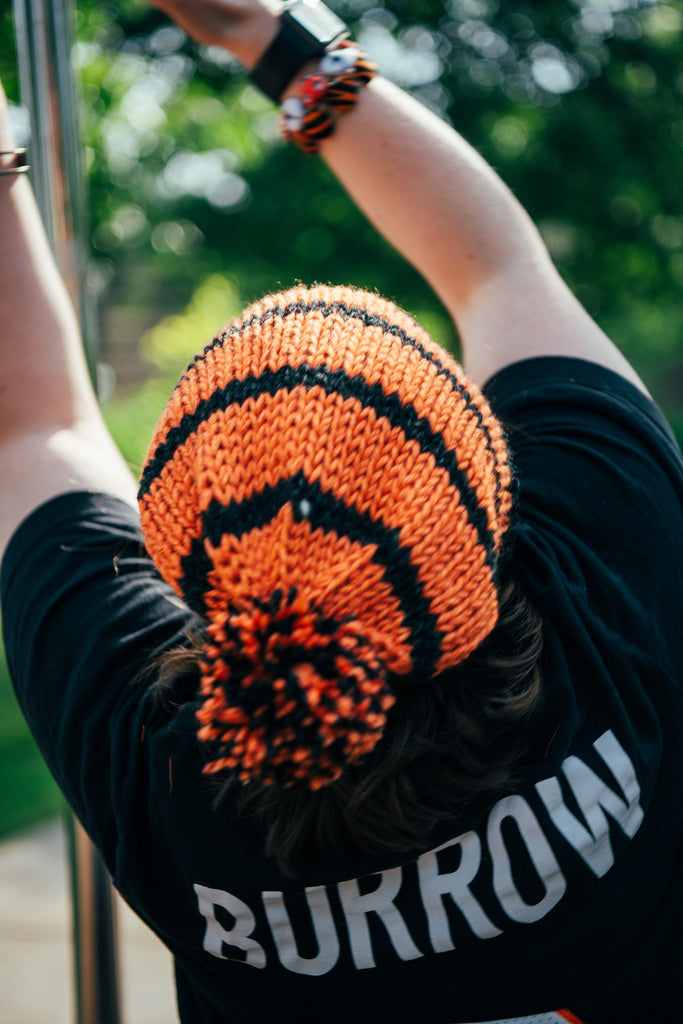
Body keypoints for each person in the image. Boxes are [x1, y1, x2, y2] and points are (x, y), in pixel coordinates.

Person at [1, 1, 682, 1021]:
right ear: (483, 502)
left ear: (182, 559)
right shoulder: (607, 578)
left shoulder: (163, 774)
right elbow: (494, 266)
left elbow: (32, 425)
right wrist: (267, 34)